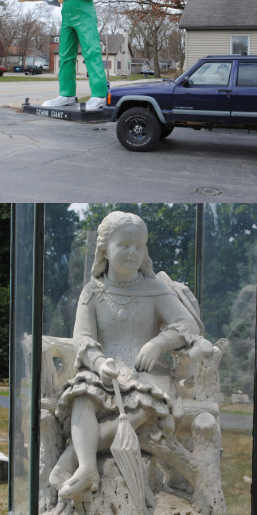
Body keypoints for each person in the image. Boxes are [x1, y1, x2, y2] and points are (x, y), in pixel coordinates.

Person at [49, 212, 201, 499]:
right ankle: (87, 467)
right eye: (124, 245)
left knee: (143, 408)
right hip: (104, 369)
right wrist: (98, 364)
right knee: (83, 398)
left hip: (147, 373)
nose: (133, 252)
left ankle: (69, 462)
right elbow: (83, 338)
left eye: (139, 246)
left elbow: (189, 325)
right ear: (105, 249)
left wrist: (158, 343)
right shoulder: (93, 292)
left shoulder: (153, 289)